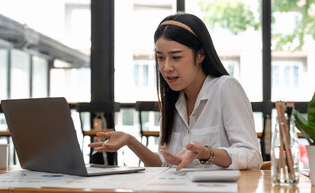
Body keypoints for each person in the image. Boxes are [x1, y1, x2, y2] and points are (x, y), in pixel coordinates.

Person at [89, 12, 262, 170]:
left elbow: (252, 156)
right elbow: (165, 165)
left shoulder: (225, 87)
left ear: (201, 55)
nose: (166, 67)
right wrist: (131, 141)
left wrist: (207, 153)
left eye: (176, 57)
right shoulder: (173, 99)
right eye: (160, 58)